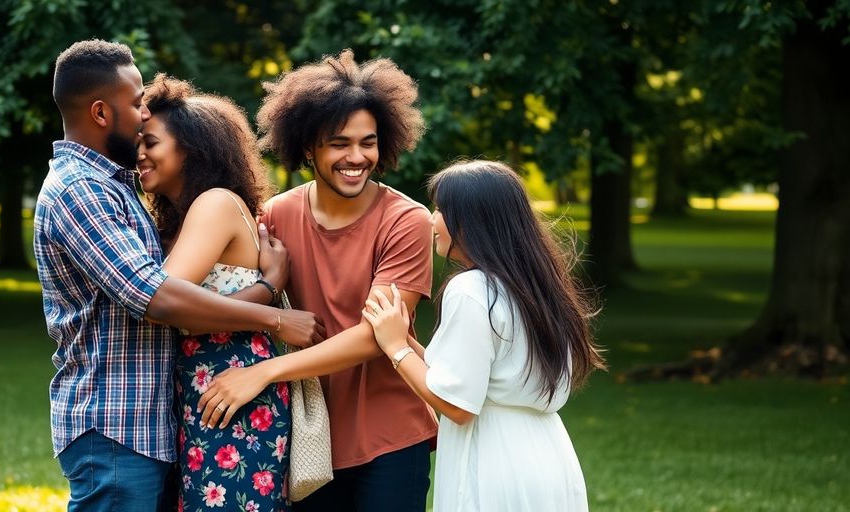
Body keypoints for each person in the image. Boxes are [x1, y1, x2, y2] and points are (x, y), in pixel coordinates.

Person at [34, 40, 322, 512]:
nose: (143, 113)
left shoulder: (120, 190)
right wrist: (269, 300)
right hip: (116, 425)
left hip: (182, 417)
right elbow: (158, 298)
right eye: (135, 103)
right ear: (102, 113)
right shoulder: (80, 190)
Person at [197, 50, 436, 511]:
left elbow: (374, 338)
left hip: (390, 435)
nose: (356, 157)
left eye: (368, 142)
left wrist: (262, 373)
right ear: (308, 146)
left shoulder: (407, 220)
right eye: (339, 143)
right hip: (307, 433)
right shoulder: (275, 215)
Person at [362, 160, 607, 511]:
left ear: (470, 220)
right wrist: (405, 339)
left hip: (493, 460)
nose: (431, 220)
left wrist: (396, 348)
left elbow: (458, 405)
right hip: (549, 455)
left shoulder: (471, 289)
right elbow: (472, 371)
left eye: (441, 209)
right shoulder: (537, 285)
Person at [137, 74, 292, 510]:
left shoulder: (215, 203)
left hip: (231, 391)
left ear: (191, 148)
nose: (140, 154)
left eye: (150, 142)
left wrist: (268, 293)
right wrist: (267, 288)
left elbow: (162, 303)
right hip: (204, 390)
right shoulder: (187, 214)